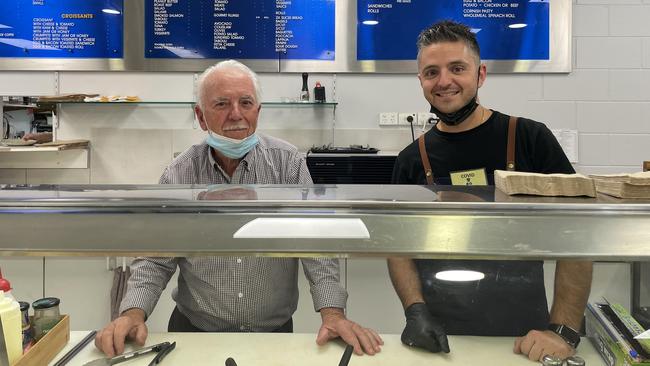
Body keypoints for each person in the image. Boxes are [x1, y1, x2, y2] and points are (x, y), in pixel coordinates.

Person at [95, 60, 383, 357]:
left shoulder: (288, 164)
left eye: (246, 103)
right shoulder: (179, 174)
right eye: (221, 104)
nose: (236, 114)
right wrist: (132, 313)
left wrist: (333, 315)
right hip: (195, 333)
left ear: (258, 111)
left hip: (274, 337)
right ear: (201, 116)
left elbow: (315, 246)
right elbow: (156, 258)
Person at [389, 21, 592, 362]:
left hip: (527, 333)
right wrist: (415, 311)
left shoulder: (530, 138)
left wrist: (563, 331)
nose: (444, 81)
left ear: (480, 74)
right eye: (431, 72)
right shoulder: (412, 159)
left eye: (457, 68)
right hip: (439, 333)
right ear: (421, 80)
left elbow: (579, 232)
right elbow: (397, 247)